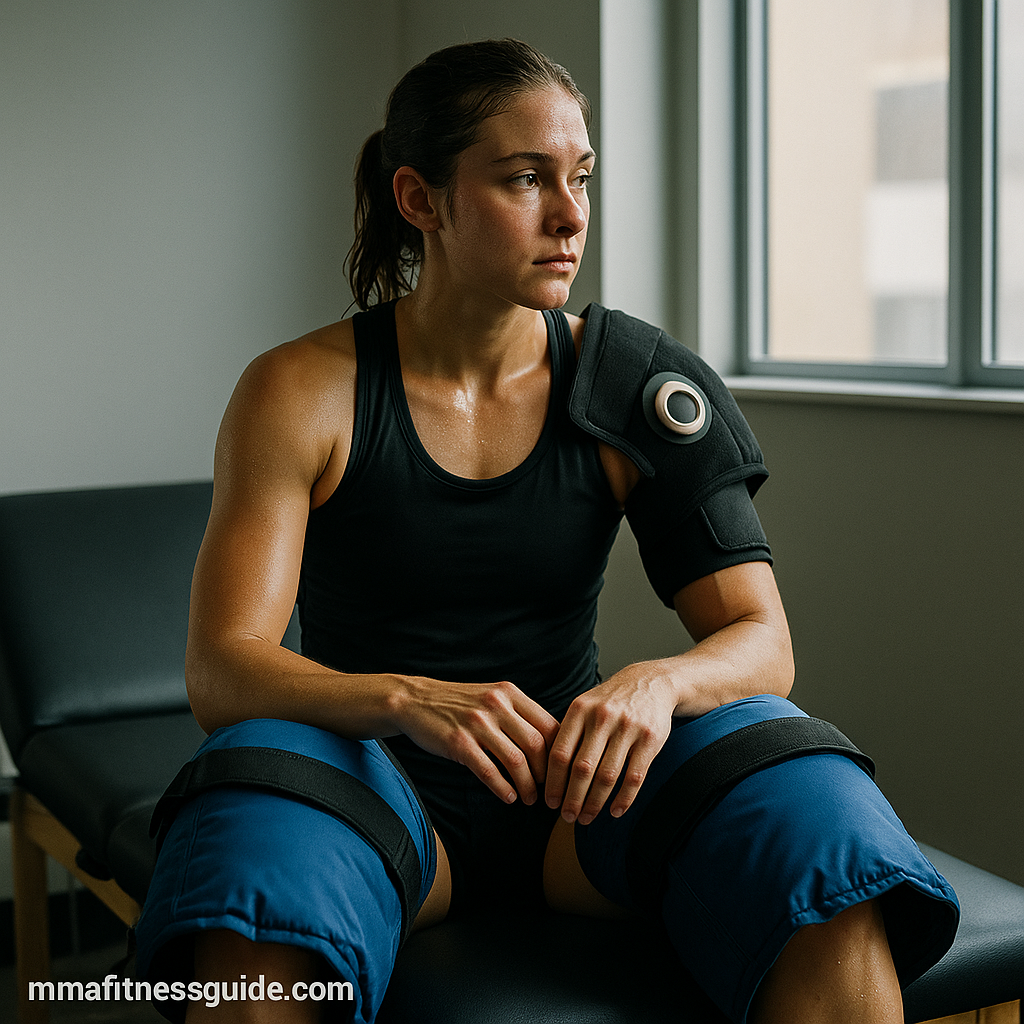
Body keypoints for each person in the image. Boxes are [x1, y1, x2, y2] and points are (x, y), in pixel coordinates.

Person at [135, 38, 958, 1024]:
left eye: (579, 177)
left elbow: (760, 641)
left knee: (812, 814)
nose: (570, 216)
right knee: (253, 897)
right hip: (377, 785)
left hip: (581, 797)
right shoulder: (304, 391)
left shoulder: (638, 384)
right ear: (419, 199)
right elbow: (222, 671)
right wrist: (408, 698)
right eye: (525, 180)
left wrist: (655, 683)